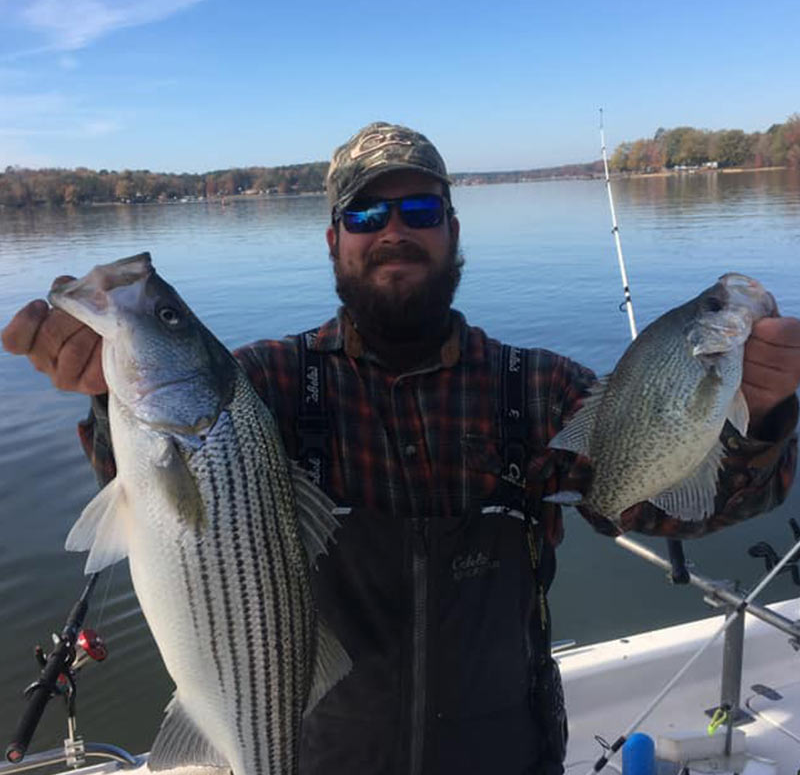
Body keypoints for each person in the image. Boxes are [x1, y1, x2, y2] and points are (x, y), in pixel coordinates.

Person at [3, 122, 799, 775]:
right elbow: (167, 506)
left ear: (452, 232)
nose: (393, 232)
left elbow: (667, 507)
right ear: (332, 241)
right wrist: (106, 393)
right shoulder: (264, 385)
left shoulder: (538, 387)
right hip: (314, 748)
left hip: (506, 755)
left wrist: (760, 414)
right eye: (364, 215)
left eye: (420, 210)